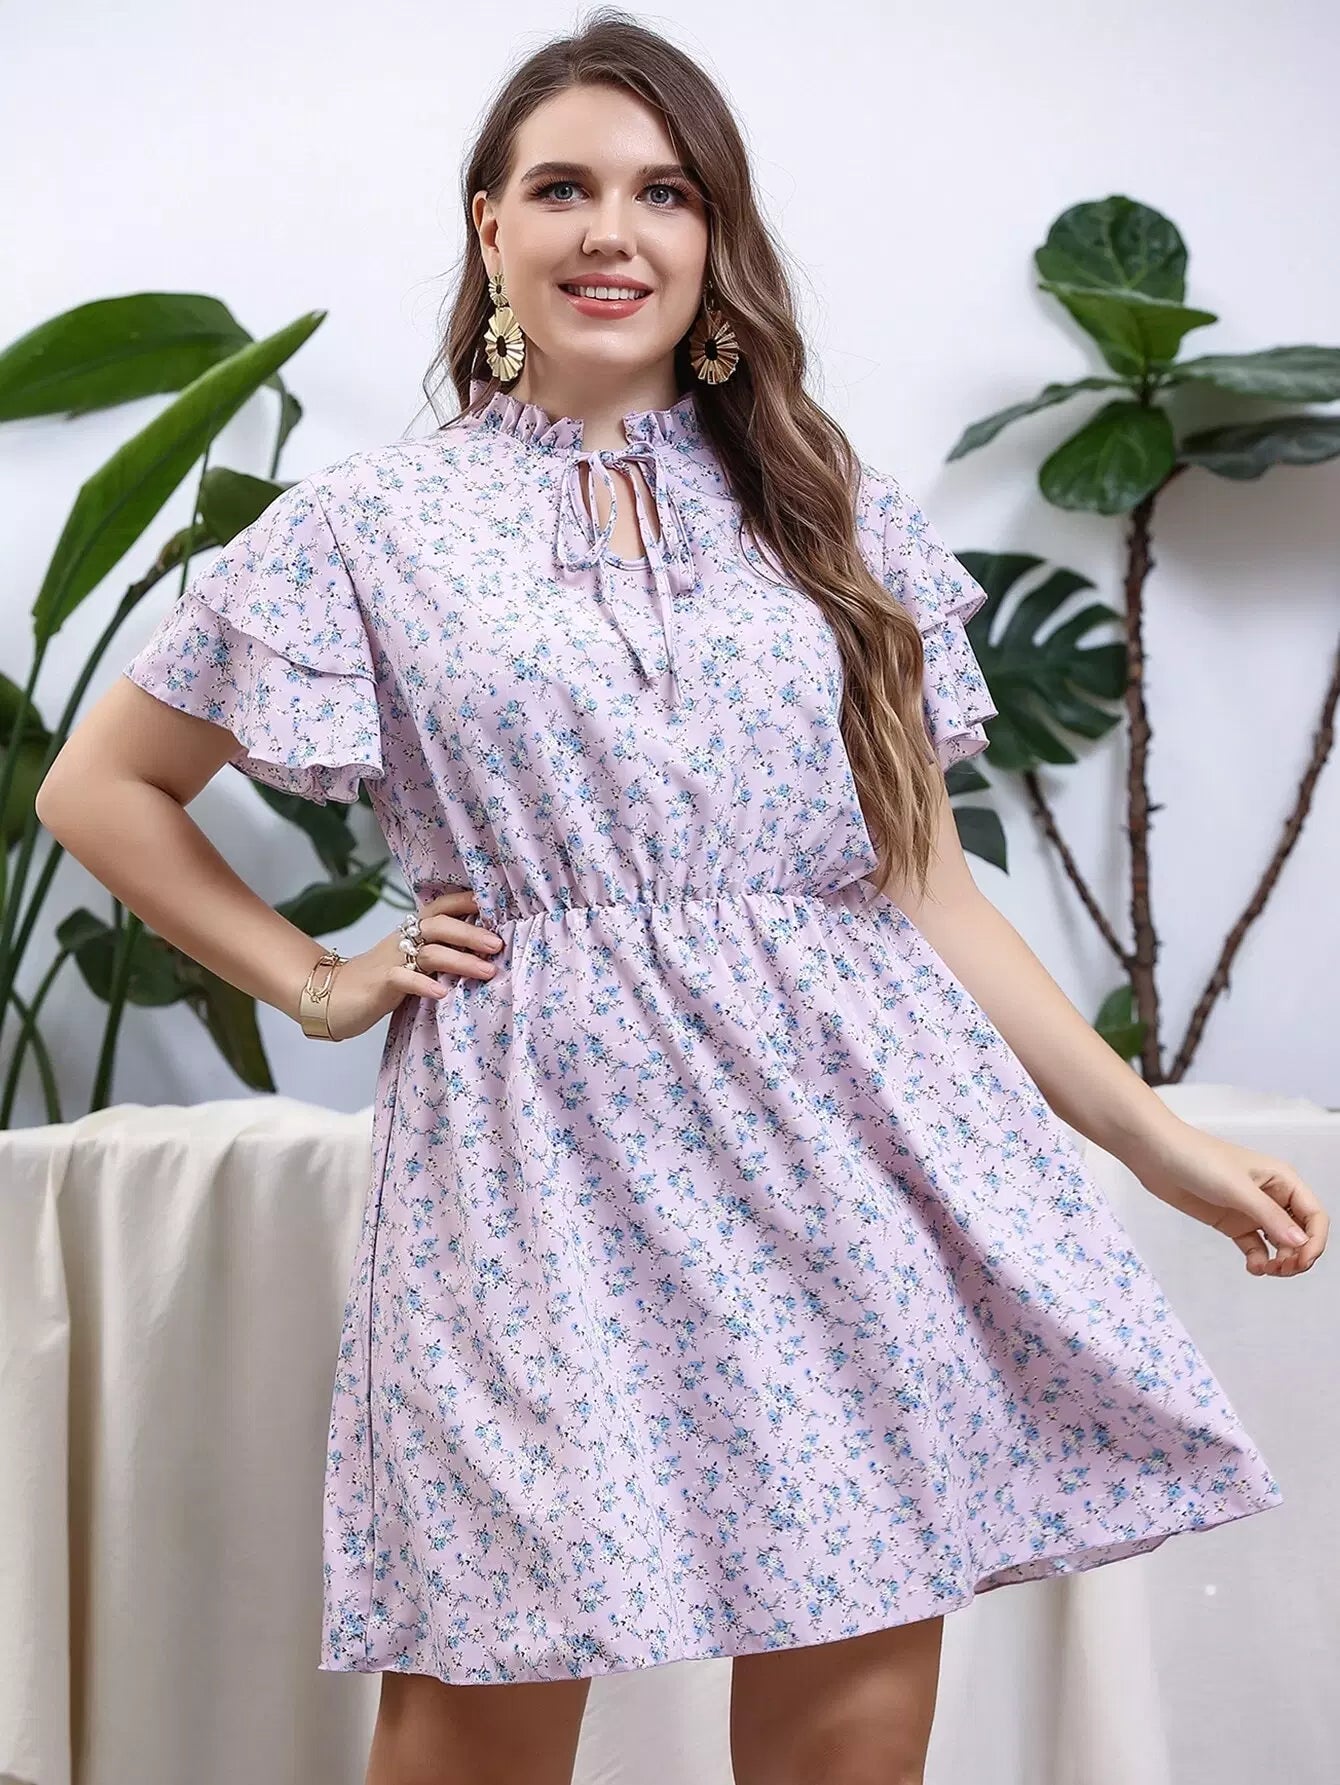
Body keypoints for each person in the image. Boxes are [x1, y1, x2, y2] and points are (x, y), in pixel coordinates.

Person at [36, 11, 1327, 1785]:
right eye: (563, 187)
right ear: (491, 224)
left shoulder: (824, 506)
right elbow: (100, 787)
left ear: (714, 236)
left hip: (846, 1160)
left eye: (664, 192)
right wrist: (318, 978)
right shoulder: (368, 529)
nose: (612, 231)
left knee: (844, 1740)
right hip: (533, 1183)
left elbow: (924, 884)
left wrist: (1157, 1143)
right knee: (477, 1705)